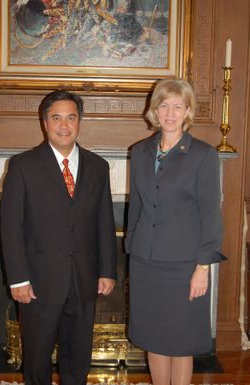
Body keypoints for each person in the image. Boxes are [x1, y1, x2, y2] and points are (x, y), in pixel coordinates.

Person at [1, 90, 117, 385]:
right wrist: (18, 279)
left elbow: (105, 222)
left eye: (70, 118)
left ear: (79, 122)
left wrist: (107, 270)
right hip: (38, 284)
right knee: (37, 361)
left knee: (78, 359)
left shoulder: (98, 167)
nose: (63, 125)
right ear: (44, 123)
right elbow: (10, 227)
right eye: (56, 118)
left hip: (84, 280)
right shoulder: (22, 166)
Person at [125, 79, 226, 385]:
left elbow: (211, 216)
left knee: (180, 341)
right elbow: (137, 206)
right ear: (154, 110)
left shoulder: (203, 155)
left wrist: (202, 267)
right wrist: (132, 248)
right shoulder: (140, 152)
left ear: (187, 111)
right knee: (154, 338)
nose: (170, 113)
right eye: (164, 105)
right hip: (146, 262)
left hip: (185, 265)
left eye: (177, 106)